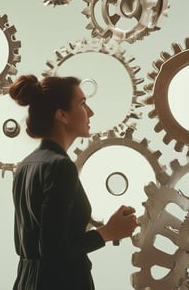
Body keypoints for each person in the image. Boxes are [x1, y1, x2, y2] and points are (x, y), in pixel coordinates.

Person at [9, 74, 138, 290]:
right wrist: (108, 232)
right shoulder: (61, 166)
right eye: (82, 103)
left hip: (25, 282)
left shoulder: (25, 165)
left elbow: (30, 244)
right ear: (62, 115)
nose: (90, 112)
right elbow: (54, 252)